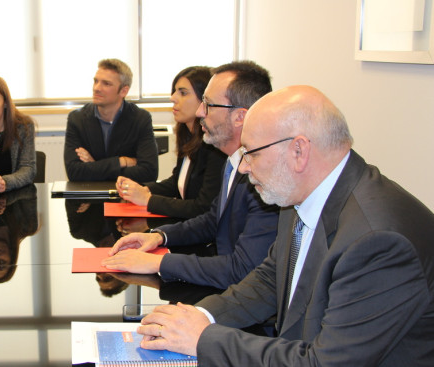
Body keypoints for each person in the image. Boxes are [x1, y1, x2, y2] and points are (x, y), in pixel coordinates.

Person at [137, 85, 434, 366]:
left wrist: (204, 338)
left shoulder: (378, 242)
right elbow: (271, 278)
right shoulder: (299, 193)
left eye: (251, 152)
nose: (243, 167)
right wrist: (201, 316)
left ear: (298, 151)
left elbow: (324, 363)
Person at [103, 61, 279, 289]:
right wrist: (158, 236)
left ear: (240, 117)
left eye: (208, 105)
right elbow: (211, 220)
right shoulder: (234, 160)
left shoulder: (265, 178)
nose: (199, 112)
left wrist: (159, 262)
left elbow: (241, 269)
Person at [117, 66, 225, 219]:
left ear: (205, 99)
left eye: (183, 93)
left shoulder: (215, 146)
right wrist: (140, 189)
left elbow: (202, 208)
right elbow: (176, 183)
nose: (173, 98)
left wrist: (148, 200)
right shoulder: (188, 136)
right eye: (174, 91)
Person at [64, 58, 158, 182]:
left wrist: (95, 165)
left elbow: (149, 172)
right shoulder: (77, 119)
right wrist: (121, 161)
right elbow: (74, 172)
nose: (97, 88)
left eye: (106, 84)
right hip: (90, 197)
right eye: (96, 81)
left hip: (126, 196)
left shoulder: (140, 118)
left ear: (124, 91)